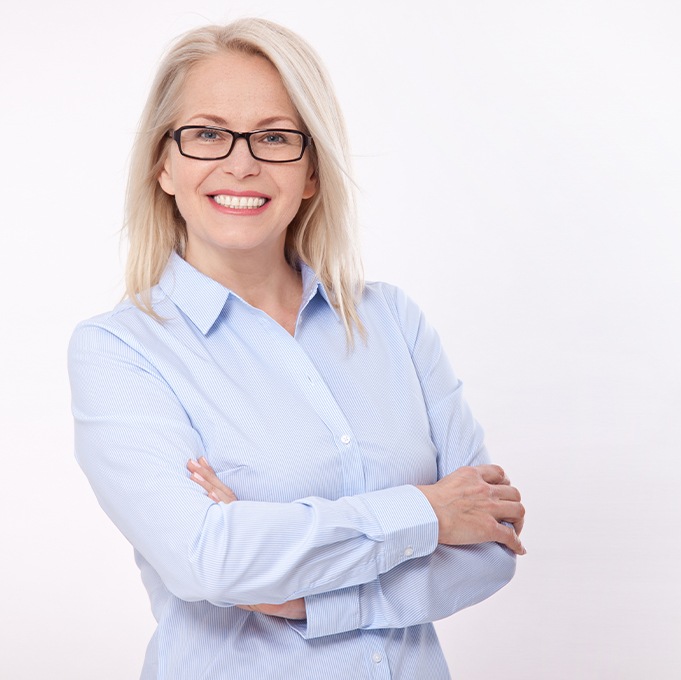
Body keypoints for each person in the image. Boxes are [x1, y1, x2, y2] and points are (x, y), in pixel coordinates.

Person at [68, 17, 525, 680]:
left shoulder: (391, 320)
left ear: (312, 170)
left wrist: (289, 591)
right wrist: (426, 513)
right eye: (206, 133)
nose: (241, 161)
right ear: (162, 165)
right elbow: (207, 559)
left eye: (276, 137)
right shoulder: (120, 351)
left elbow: (491, 546)